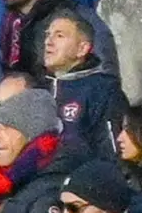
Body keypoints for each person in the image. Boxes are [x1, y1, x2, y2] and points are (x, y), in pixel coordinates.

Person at [43, 9, 128, 162]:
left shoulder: (103, 90)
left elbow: (112, 154)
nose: (48, 41)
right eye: (48, 34)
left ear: (82, 49)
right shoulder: (38, 88)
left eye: (59, 35)